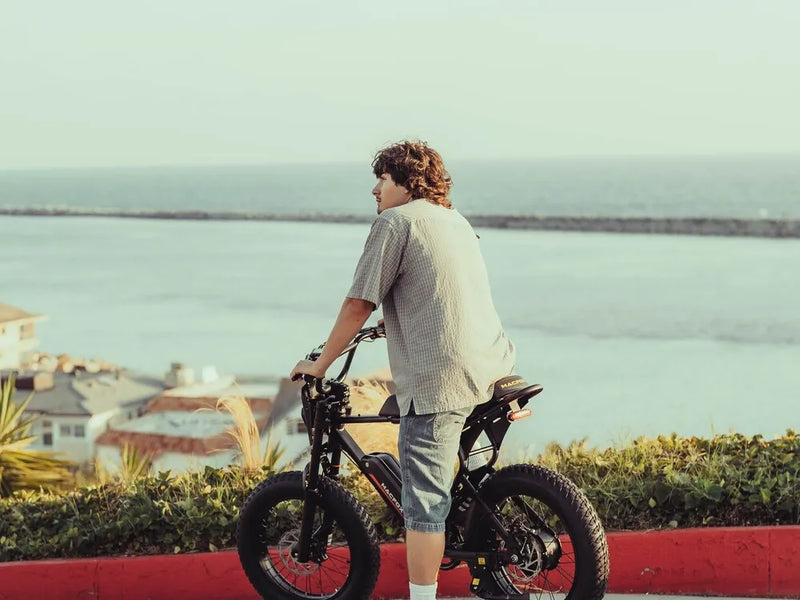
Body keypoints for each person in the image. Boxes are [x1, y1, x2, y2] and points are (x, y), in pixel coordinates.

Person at [290, 140, 515, 600]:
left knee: (425, 508)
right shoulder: (454, 221)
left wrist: (320, 363)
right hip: (493, 364)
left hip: (442, 378)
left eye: (383, 179)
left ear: (407, 184)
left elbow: (357, 303)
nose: (375, 190)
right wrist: (390, 323)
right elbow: (437, 292)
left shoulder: (395, 223)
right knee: (452, 479)